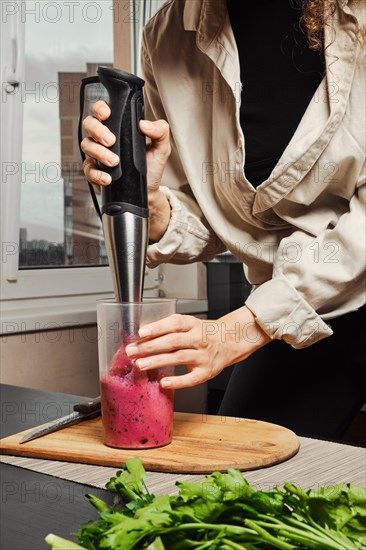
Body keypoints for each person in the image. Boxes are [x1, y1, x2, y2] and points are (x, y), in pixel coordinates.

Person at [81, 0, 366, 440]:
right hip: (292, 307)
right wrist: (154, 200)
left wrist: (240, 329)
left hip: (287, 303)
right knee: (247, 477)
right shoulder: (169, 34)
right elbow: (209, 215)